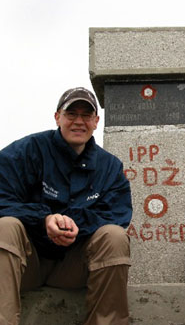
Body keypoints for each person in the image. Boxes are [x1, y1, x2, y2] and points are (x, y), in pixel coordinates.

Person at [0, 87, 133, 325]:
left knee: (114, 236)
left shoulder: (110, 167)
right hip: (26, 264)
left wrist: (74, 224)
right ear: (57, 117)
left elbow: (117, 215)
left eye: (86, 115)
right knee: (5, 226)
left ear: (96, 121)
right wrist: (45, 219)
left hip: (74, 267)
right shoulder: (26, 151)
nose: (78, 122)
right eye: (71, 114)